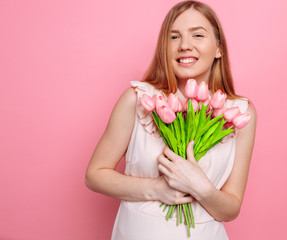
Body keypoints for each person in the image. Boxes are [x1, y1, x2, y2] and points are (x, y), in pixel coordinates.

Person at [85, 1, 256, 239]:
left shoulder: (238, 112)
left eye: (197, 35)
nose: (185, 45)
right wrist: (155, 189)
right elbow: (95, 175)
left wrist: (200, 186)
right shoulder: (138, 99)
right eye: (174, 37)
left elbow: (230, 209)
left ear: (219, 48)